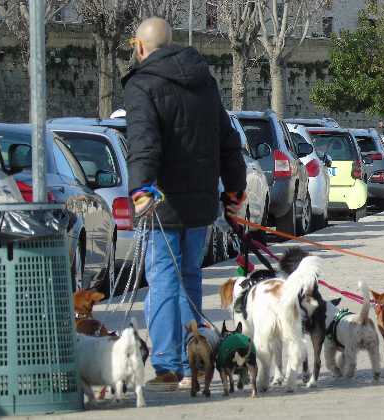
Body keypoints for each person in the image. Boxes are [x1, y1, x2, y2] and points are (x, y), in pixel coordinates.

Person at [123, 17, 247, 391]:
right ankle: (197, 358)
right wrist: (235, 192)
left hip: (163, 203)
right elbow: (228, 142)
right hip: (200, 202)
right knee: (190, 277)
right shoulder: (203, 82)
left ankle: (167, 365)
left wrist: (140, 189)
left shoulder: (142, 84)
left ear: (141, 47)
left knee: (161, 280)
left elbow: (144, 143)